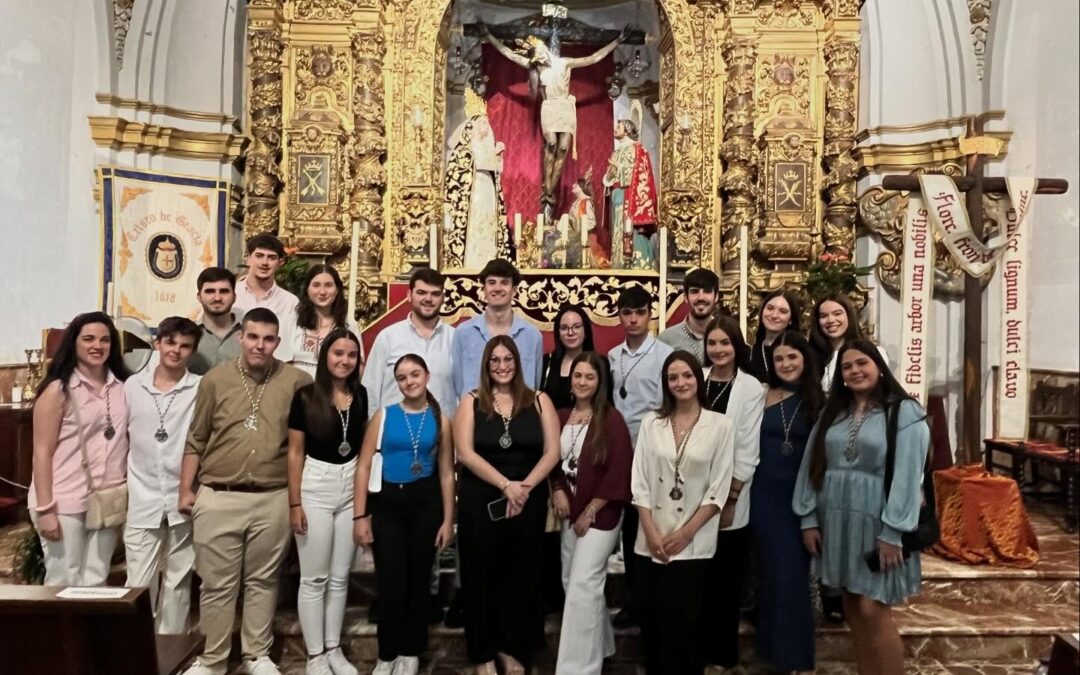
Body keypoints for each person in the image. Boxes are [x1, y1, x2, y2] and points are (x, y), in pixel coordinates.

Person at [180, 308, 312, 675]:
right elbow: (196, 437)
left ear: (278, 342)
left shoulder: (297, 381)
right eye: (253, 337)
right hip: (219, 493)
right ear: (241, 337)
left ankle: (256, 655)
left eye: (268, 339)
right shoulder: (215, 380)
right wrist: (185, 489)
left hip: (272, 495)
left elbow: (304, 444)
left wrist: (297, 500)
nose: (260, 345)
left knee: (263, 581)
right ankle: (213, 659)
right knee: (216, 585)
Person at [794, 341, 930, 675]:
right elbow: (812, 464)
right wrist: (808, 517)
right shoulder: (833, 412)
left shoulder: (904, 412)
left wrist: (893, 532)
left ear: (879, 367)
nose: (854, 371)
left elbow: (909, 476)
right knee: (852, 604)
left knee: (873, 609)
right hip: (837, 519)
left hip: (878, 523)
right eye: (847, 366)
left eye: (862, 363)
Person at [454, 336, 561, 675]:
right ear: (486, 365)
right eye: (495, 360)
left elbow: (553, 452)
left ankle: (514, 648)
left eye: (508, 359)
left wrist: (523, 489)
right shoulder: (471, 401)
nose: (502, 366)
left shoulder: (539, 400)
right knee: (480, 575)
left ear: (518, 362)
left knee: (520, 576)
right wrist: (505, 485)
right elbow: (465, 453)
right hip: (481, 499)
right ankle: (484, 652)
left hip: (527, 500)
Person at [631, 350, 735, 675]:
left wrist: (687, 533)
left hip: (694, 541)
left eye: (687, 375)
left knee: (686, 626)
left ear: (698, 379)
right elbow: (639, 482)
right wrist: (651, 533)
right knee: (654, 623)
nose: (681, 382)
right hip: (652, 537)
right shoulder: (652, 422)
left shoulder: (721, 425)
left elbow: (718, 489)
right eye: (673, 377)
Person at [354, 355, 456, 675]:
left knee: (418, 579)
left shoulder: (441, 420)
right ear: (396, 382)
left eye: (415, 374)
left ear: (427, 376)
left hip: (425, 503)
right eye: (402, 377)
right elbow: (364, 466)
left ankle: (411, 650)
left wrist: (448, 520)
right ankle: (387, 653)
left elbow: (446, 472)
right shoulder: (384, 415)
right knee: (391, 581)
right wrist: (360, 516)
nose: (409, 381)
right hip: (388, 504)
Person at [29, 312, 131, 586]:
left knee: (96, 579)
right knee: (64, 579)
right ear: (74, 342)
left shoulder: (124, 387)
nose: (97, 345)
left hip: (107, 496)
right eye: (88, 339)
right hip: (64, 498)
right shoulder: (58, 390)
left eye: (104, 340)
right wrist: (46, 509)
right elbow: (41, 452)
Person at [287, 329, 367, 675]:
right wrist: (295, 504)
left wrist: (362, 506)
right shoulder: (305, 396)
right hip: (315, 485)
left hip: (349, 484)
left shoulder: (360, 394)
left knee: (339, 576)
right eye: (338, 353)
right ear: (325, 356)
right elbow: (294, 453)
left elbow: (361, 447)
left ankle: (333, 648)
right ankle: (315, 655)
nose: (344, 360)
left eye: (351, 355)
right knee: (314, 578)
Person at [482, 23, 625, 214]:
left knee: (563, 148)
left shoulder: (564, 63)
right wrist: (490, 37)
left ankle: (549, 189)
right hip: (549, 107)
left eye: (538, 52)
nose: (537, 57)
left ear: (544, 48)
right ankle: (548, 189)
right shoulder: (537, 67)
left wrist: (617, 41)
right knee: (551, 144)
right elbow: (510, 54)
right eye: (534, 55)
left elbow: (593, 58)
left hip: (565, 108)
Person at [550, 352, 633, 675]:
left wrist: (592, 509)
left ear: (600, 382)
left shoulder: (612, 420)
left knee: (583, 585)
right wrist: (557, 489)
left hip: (602, 514)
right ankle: (605, 646)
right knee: (570, 580)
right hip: (569, 511)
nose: (582, 382)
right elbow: (552, 461)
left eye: (589, 377)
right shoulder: (561, 416)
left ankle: (578, 668)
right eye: (577, 376)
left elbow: (619, 470)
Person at [750, 331, 824, 674]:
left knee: (790, 575)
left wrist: (814, 511)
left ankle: (792, 658)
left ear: (805, 358)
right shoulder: (763, 395)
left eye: (792, 357)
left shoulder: (819, 400)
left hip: (799, 498)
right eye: (779, 358)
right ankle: (770, 650)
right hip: (763, 495)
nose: (785, 364)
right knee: (770, 573)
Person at [124, 317, 202, 634]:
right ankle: (136, 652)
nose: (176, 351)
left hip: (183, 493)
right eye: (170, 342)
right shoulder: (132, 386)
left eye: (185, 346)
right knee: (138, 584)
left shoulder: (199, 387)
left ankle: (173, 651)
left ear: (192, 351)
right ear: (158, 343)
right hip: (142, 494)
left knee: (179, 581)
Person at [698, 315, 766, 669]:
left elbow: (747, 447)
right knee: (700, 580)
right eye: (712, 343)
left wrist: (732, 497)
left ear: (737, 346)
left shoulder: (750, 387)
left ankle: (722, 657)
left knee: (726, 580)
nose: (718, 349)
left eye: (725, 342)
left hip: (730, 495)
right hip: (694, 492)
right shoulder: (698, 378)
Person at [607, 285, 672, 629]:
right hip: (619, 451)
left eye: (639, 313)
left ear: (650, 315)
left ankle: (650, 598)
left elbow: (667, 405)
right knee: (626, 527)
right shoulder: (612, 356)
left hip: (651, 452)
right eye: (627, 313)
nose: (633, 319)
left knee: (647, 525)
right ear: (619, 316)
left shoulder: (663, 355)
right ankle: (632, 597)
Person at [363, 267, 456, 419]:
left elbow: (464, 394)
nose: (428, 299)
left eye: (435, 294)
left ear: (443, 298)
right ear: (409, 295)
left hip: (441, 429)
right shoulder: (388, 337)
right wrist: (373, 427)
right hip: (395, 428)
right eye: (421, 292)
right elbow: (370, 390)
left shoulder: (455, 338)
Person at [451, 258, 543, 400]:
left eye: (504, 283)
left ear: (514, 290)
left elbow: (535, 384)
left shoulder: (532, 335)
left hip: (520, 412)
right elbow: (458, 385)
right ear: (484, 289)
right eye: (491, 282)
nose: (498, 288)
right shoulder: (463, 333)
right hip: (474, 412)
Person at [443, 88, 510, 269]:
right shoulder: (465, 150)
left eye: (486, 122)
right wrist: (492, 157)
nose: (485, 125)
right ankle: (471, 261)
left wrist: (498, 157)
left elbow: (497, 170)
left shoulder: (488, 147)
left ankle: (489, 259)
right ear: (472, 126)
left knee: (488, 222)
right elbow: (464, 168)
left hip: (487, 188)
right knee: (474, 222)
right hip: (473, 190)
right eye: (481, 122)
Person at [283, 264, 362, 377]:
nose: (322, 292)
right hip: (296, 385)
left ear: (337, 289)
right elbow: (282, 361)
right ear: (307, 289)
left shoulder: (349, 324)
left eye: (328, 285)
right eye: (316, 285)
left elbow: (358, 365)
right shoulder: (292, 320)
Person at [603, 114, 659, 270]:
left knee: (629, 229)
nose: (615, 129)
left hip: (630, 195)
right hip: (616, 193)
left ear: (627, 130)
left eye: (619, 127)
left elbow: (639, 173)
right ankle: (618, 262)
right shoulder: (617, 151)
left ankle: (636, 263)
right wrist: (610, 175)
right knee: (618, 228)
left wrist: (618, 168)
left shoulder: (637, 149)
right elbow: (610, 175)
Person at [810, 293, 890, 391]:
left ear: (849, 316)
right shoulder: (810, 356)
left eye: (837, 314)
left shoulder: (873, 353)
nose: (830, 320)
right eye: (824, 316)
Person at [541, 303, 601, 411]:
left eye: (576, 327)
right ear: (558, 333)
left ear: (586, 331)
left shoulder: (600, 363)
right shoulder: (547, 362)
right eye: (564, 328)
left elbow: (605, 403)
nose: (570, 332)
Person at [658, 268, 720, 366]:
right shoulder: (666, 339)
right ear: (686, 298)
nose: (701, 297)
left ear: (716, 296)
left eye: (707, 291)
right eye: (694, 291)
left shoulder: (728, 336)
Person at [233, 233, 300, 322]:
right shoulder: (231, 293)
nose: (265, 262)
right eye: (259, 256)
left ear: (280, 262)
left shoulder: (290, 302)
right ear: (248, 259)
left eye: (272, 258)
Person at [188, 266, 243, 375]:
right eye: (210, 291)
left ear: (234, 297)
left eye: (224, 291)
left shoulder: (250, 335)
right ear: (199, 297)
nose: (217, 298)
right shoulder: (187, 336)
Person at [748, 290, 802, 381]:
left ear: (791, 319)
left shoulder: (800, 351)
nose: (774, 315)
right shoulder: (751, 352)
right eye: (770, 308)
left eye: (783, 311)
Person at [568, 174, 609, 269]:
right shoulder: (576, 203)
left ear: (582, 188)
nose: (573, 185)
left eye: (576, 184)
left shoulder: (586, 202)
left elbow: (592, 222)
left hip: (586, 239)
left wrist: (581, 228)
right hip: (574, 237)